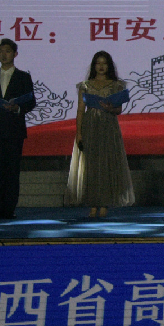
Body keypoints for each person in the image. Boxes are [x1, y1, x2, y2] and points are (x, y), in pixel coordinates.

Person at [65, 51, 135, 218]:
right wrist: (79, 133)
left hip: (108, 126)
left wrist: (110, 108)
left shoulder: (116, 85)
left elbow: (119, 110)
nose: (101, 66)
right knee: (91, 165)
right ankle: (93, 204)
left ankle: (104, 204)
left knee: (106, 164)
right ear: (94, 66)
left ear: (109, 66)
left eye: (104, 63)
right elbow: (80, 110)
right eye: (98, 63)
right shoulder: (85, 85)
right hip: (90, 126)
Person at [0, 38, 36, 219]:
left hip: (14, 130)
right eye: (0, 51)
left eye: (8, 51)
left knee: (12, 171)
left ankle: (9, 209)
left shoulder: (23, 76)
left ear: (15, 54)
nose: (4, 55)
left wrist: (18, 108)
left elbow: (31, 102)